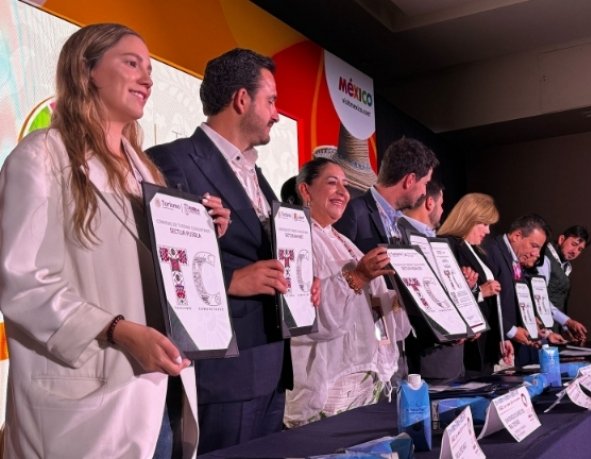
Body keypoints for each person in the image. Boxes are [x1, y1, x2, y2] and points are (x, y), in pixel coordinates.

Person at [0, 23, 229, 458]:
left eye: (149, 69)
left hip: (161, 389)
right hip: (88, 398)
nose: (147, 79)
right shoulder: (40, 156)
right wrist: (117, 330)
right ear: (87, 70)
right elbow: (20, 282)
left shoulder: (147, 171)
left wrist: (200, 232)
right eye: (131, 63)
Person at [147, 48, 319, 453]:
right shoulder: (172, 161)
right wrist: (230, 280)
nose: (277, 115)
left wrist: (300, 285)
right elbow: (153, 260)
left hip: (272, 368)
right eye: (271, 101)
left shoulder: (256, 173)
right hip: (223, 375)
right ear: (242, 99)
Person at [284, 158, 410, 427]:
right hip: (325, 388)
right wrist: (358, 276)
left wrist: (404, 298)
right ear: (305, 190)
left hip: (364, 384)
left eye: (345, 185)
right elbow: (309, 319)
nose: (343, 192)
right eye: (332, 183)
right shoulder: (295, 238)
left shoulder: (345, 243)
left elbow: (370, 307)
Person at [334, 137, 438, 381]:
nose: (425, 192)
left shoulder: (403, 227)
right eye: (425, 183)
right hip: (359, 353)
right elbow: (336, 277)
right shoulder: (354, 212)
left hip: (394, 345)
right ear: (409, 180)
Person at [482, 215, 577, 366]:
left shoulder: (515, 259)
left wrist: (539, 331)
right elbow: (486, 305)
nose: (537, 254)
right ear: (516, 236)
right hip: (490, 348)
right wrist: (511, 331)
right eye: (534, 246)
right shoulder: (491, 251)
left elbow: (519, 301)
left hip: (510, 345)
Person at [396, 180, 465, 382]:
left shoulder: (437, 241)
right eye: (442, 204)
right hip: (429, 357)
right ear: (430, 203)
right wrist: (450, 331)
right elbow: (412, 298)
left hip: (451, 357)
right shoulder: (400, 235)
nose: (443, 211)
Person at [438, 193, 514, 374]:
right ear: (469, 219)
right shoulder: (448, 245)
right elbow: (444, 295)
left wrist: (501, 337)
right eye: (484, 224)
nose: (487, 231)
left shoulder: (477, 250)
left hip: (485, 344)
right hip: (466, 348)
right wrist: (480, 291)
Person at [537, 225, 590, 341]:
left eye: (580, 249)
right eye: (574, 244)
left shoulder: (565, 266)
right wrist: (567, 322)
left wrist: (566, 327)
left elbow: (558, 301)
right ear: (561, 239)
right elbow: (538, 299)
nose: (575, 251)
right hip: (539, 330)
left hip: (553, 329)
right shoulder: (544, 259)